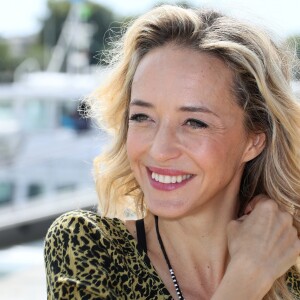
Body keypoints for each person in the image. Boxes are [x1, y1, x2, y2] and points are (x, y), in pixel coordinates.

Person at [44, 5, 300, 300]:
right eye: (142, 117)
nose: (160, 150)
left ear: (253, 141)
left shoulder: (290, 282)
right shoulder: (89, 246)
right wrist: (247, 276)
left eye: (194, 122)